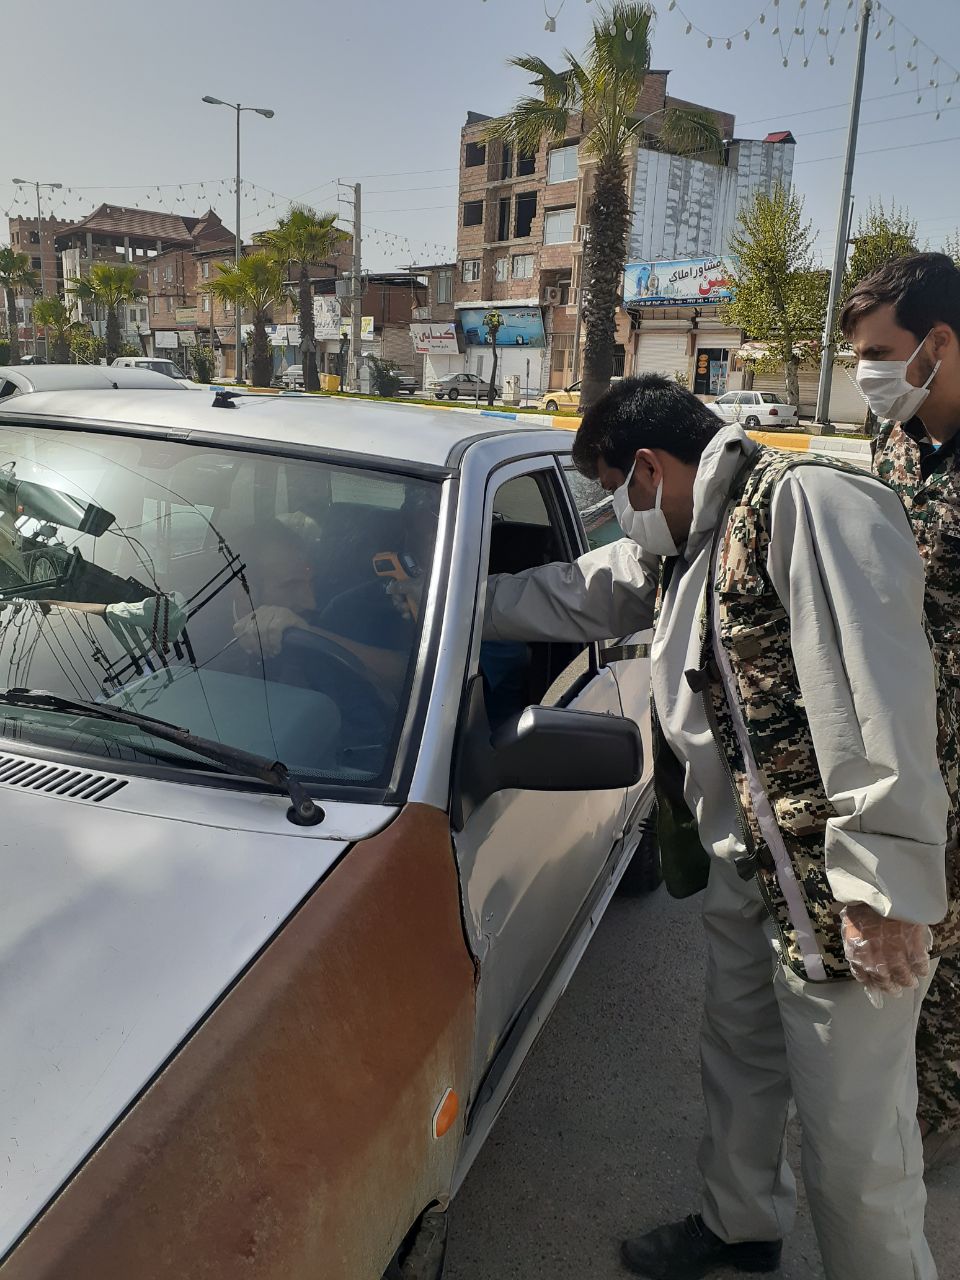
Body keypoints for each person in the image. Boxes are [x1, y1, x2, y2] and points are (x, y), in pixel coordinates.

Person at [483, 374, 952, 1280]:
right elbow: (577, 592)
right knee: (739, 1062)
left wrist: (882, 891)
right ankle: (742, 1228)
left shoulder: (801, 504)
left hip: (837, 889)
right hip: (751, 870)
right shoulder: (687, 539)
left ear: (651, 467)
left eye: (615, 492)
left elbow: (879, 697)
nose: (617, 516)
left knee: (858, 1148)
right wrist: (443, 597)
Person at [841, 252, 960, 1168]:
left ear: (940, 342)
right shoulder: (897, 443)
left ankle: (933, 1130)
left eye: (879, 352)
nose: (865, 374)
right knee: (912, 938)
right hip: (906, 751)